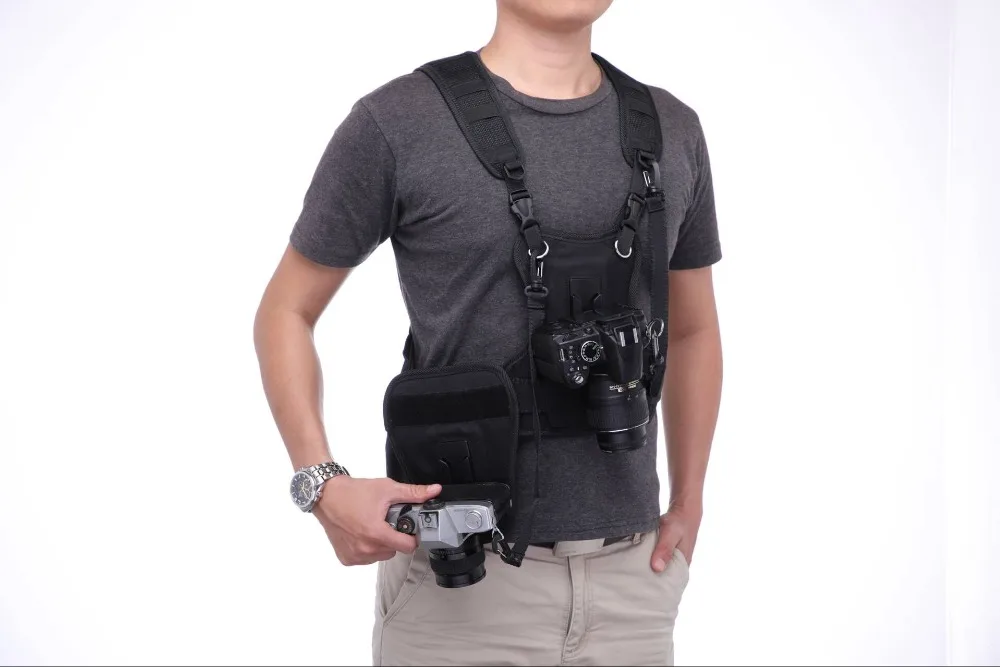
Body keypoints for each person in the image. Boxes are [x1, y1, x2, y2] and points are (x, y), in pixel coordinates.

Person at [253, 0, 723, 664]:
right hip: (460, 584)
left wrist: (690, 497)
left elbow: (694, 328)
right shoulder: (399, 122)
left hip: (634, 584)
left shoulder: (673, 129)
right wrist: (321, 482)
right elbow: (285, 310)